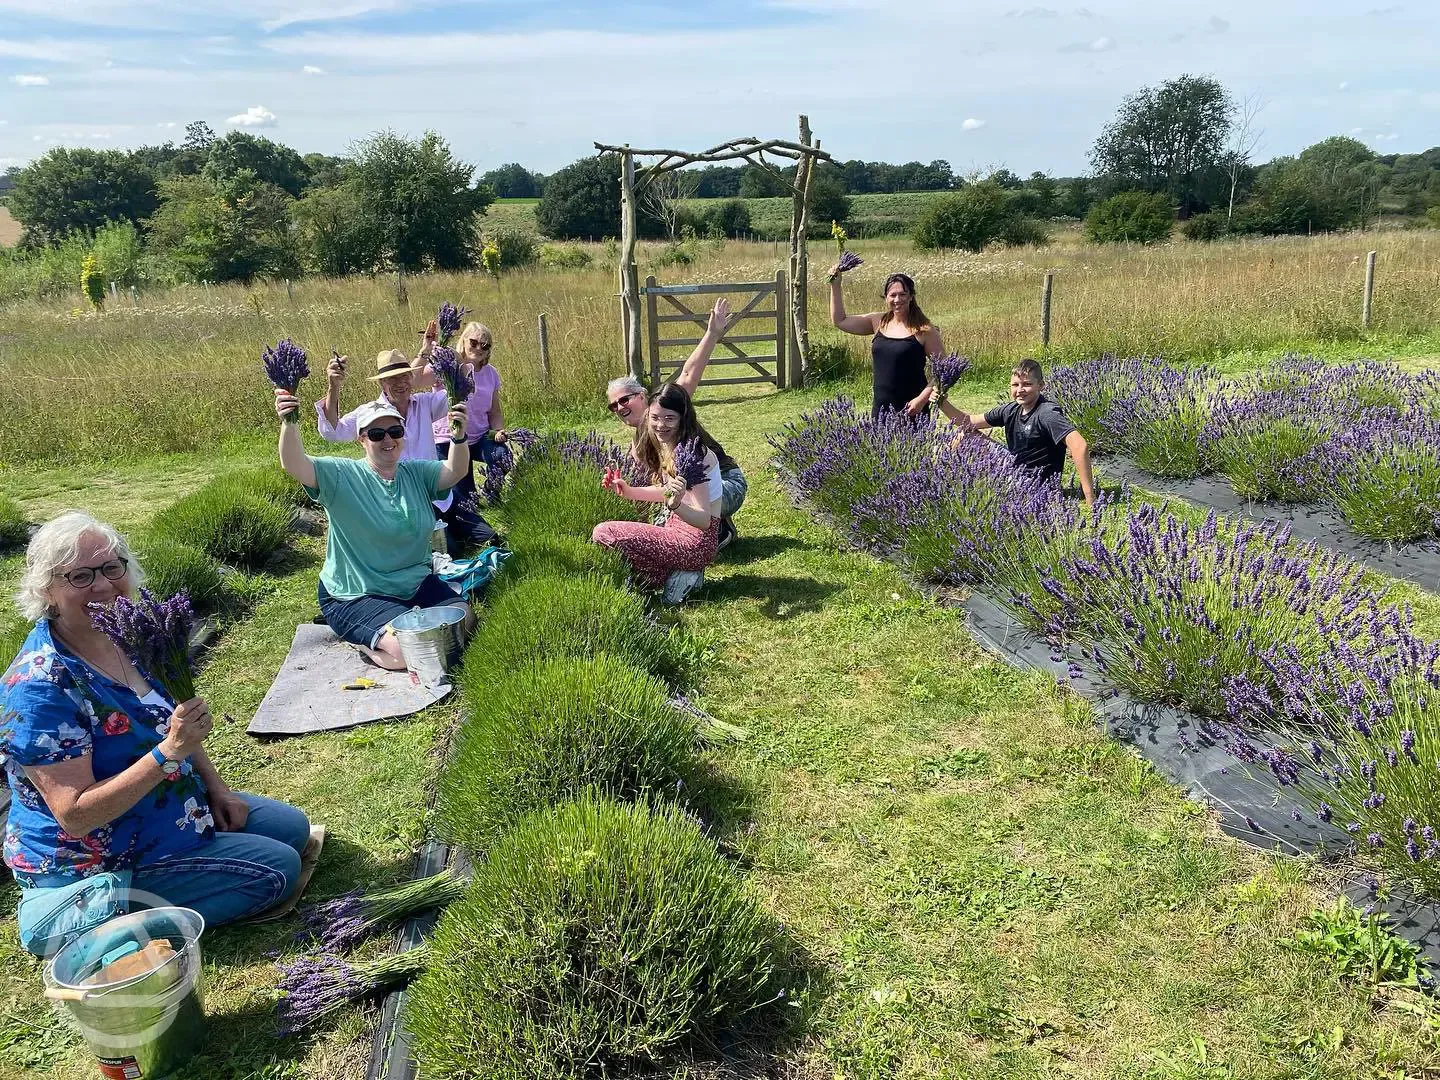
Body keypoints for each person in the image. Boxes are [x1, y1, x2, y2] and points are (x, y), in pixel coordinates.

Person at [3, 512, 313, 957]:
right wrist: (169, 753)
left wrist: (217, 788)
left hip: (159, 804)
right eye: (80, 575)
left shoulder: (130, 635)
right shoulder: (39, 687)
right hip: (93, 857)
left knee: (293, 829)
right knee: (277, 870)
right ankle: (88, 919)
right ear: (47, 590)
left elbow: (175, 724)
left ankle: (176, 872)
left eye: (113, 567)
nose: (104, 585)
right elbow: (75, 816)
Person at [274, 387, 477, 669]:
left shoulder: (415, 473)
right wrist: (289, 421)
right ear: (361, 439)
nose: (388, 440)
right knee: (411, 653)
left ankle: (392, 626)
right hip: (357, 592)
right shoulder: (342, 476)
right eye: (376, 434)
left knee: (462, 620)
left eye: (395, 431)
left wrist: (459, 436)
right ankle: (362, 640)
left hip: (413, 583)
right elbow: (294, 464)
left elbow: (454, 471)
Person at [605, 298, 746, 550]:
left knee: (680, 500)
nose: (619, 407)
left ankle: (719, 529)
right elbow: (654, 488)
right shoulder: (639, 444)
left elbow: (690, 372)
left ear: (641, 396)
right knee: (668, 509)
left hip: (727, 483)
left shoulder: (667, 406)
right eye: (613, 406)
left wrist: (712, 333)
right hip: (696, 492)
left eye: (623, 399)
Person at [317, 349, 494, 550]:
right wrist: (333, 387)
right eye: (392, 379)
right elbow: (332, 431)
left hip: (438, 491)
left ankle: (451, 531)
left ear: (412, 377)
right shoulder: (370, 413)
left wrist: (454, 357)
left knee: (490, 537)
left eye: (404, 376)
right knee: (448, 550)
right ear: (381, 384)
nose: (400, 383)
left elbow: (460, 392)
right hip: (406, 503)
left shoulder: (425, 403)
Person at [593, 383, 722, 604]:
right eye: (654, 417)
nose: (660, 425)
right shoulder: (673, 446)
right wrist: (628, 491)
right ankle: (681, 577)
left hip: (696, 543)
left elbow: (703, 520)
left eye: (669, 418)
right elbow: (667, 491)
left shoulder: (695, 455)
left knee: (605, 533)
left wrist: (676, 505)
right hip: (676, 530)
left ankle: (681, 575)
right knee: (623, 557)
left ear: (683, 417)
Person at [955, 358, 1097, 505]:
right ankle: (946, 480)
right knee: (965, 434)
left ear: (1040, 385)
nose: (1020, 390)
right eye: (1015, 385)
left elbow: (1080, 446)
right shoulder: (1011, 410)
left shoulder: (1047, 413)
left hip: (1035, 486)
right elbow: (967, 421)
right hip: (1014, 469)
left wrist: (1090, 499)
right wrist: (941, 401)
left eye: (1027, 384)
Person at [827, 265, 945, 417]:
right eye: (893, 295)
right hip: (881, 409)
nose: (897, 300)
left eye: (903, 294)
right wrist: (835, 285)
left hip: (913, 410)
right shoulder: (878, 321)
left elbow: (944, 370)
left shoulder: (924, 330)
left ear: (911, 296)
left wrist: (922, 400)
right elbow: (840, 321)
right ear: (886, 297)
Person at [420, 321, 510, 505]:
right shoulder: (446, 365)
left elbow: (495, 411)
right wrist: (426, 350)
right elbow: (416, 380)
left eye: (485, 345)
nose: (479, 348)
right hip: (449, 439)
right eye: (474, 342)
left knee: (503, 456)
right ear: (463, 341)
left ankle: (492, 493)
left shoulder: (490, 373)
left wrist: (498, 430)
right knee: (466, 501)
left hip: (478, 438)